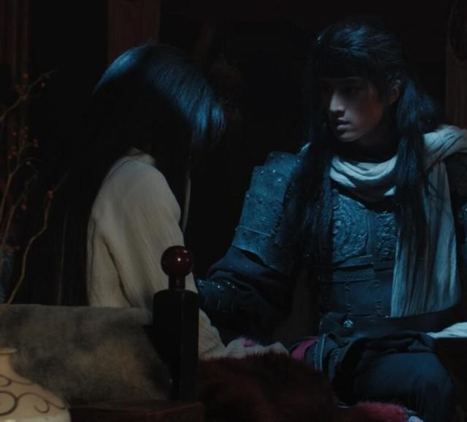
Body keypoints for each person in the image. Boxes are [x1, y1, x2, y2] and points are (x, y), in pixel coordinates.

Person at [197, 17, 467, 422]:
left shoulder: (455, 166)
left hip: (432, 350)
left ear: (392, 90)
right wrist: (188, 295)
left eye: (350, 89)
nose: (333, 106)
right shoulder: (296, 176)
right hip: (339, 358)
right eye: (326, 89)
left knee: (452, 382)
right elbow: (249, 289)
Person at [19, 43, 283, 359]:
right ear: (176, 129)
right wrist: (253, 360)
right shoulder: (139, 181)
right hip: (116, 379)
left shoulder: (72, 175)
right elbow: (189, 336)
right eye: (193, 147)